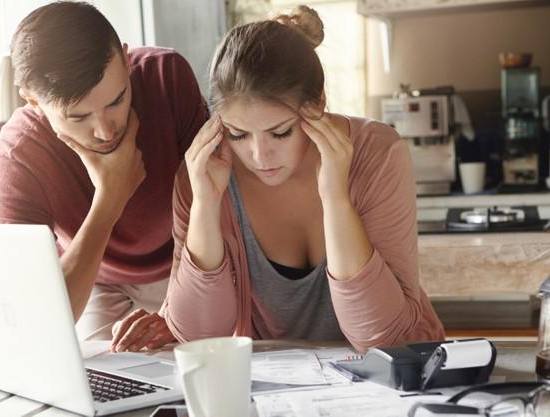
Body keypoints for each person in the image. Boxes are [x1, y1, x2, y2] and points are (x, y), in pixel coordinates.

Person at [117, 5, 445, 353]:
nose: (260, 156)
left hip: (396, 384)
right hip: (275, 391)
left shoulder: (377, 153)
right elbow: (199, 338)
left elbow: (384, 339)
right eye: (238, 134)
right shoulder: (204, 170)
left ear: (318, 104)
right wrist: (204, 206)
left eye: (281, 132)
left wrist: (336, 198)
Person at [0, 1, 207, 351]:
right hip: (95, 282)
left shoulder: (167, 77)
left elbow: (212, 211)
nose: (106, 131)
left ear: (125, 58)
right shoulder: (18, 157)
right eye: (78, 117)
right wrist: (109, 199)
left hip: (187, 262)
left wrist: (174, 311)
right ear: (32, 100)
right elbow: (38, 316)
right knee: (106, 384)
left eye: (117, 100)